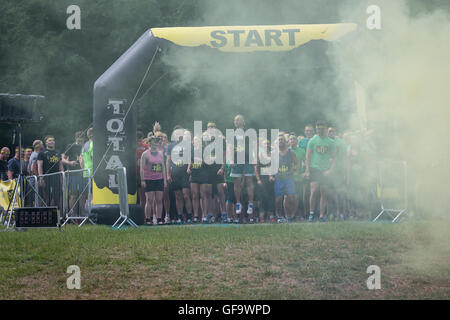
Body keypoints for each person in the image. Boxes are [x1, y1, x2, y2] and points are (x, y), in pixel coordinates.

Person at [305, 121, 337, 222]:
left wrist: (330, 170)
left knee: (324, 193)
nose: (319, 130)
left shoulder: (331, 142)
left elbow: (335, 158)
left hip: (325, 170)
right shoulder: (313, 140)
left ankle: (322, 215)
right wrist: (307, 170)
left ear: (325, 129)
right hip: (315, 168)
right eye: (318, 129)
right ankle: (311, 213)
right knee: (313, 191)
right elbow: (308, 156)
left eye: (321, 129)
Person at [228, 115, 256, 222]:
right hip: (236, 161)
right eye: (235, 120)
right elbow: (230, 148)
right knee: (237, 183)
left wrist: (254, 158)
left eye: (238, 120)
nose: (236, 121)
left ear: (243, 122)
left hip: (247, 160)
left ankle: (250, 202)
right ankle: (238, 203)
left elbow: (253, 146)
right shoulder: (232, 134)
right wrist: (230, 160)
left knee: (249, 182)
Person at [270, 134, 300, 223]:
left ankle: (289, 216)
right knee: (278, 198)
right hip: (279, 178)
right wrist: (270, 176)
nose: (280, 141)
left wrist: (296, 172)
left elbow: (297, 163)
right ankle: (279, 216)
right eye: (279, 140)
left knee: (291, 197)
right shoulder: (274, 153)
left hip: (289, 177)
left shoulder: (290, 152)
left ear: (285, 142)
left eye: (282, 140)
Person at [167, 127, 193, 224]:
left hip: (184, 173)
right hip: (175, 173)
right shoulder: (170, 146)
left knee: (186, 195)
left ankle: (189, 216)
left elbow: (190, 157)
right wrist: (168, 174)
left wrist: (189, 167)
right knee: (178, 196)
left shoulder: (187, 145)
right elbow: (168, 161)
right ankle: (179, 216)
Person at [140, 135, 167, 225]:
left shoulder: (160, 154)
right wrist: (143, 180)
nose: (155, 144)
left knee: (159, 199)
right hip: (149, 179)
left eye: (156, 142)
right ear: (150, 143)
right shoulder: (145, 154)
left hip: (159, 179)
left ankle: (159, 218)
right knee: (149, 199)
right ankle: (148, 218)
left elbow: (163, 167)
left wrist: (164, 180)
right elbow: (142, 168)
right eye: (154, 142)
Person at [187, 135, 211, 223]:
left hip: (203, 173)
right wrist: (188, 168)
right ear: (193, 142)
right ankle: (196, 215)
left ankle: (204, 215)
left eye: (198, 140)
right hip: (194, 174)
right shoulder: (191, 151)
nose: (196, 142)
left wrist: (200, 160)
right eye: (195, 140)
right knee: (194, 195)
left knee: (203, 194)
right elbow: (190, 160)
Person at [63, 131, 85, 218]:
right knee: (73, 194)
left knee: (83, 194)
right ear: (75, 138)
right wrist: (69, 162)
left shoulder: (85, 146)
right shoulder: (70, 146)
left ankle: (82, 214)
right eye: (79, 140)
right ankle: (72, 214)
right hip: (73, 173)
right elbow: (63, 159)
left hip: (84, 173)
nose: (80, 142)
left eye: (82, 140)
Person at [37, 135, 64, 207]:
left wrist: (62, 176)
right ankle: (46, 213)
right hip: (47, 177)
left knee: (57, 196)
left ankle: (56, 213)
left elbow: (60, 165)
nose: (52, 141)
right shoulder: (42, 153)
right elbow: (39, 166)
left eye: (53, 140)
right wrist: (41, 178)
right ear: (46, 143)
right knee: (47, 197)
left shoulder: (58, 152)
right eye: (49, 140)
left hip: (56, 177)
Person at [255, 139, 275, 223]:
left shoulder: (272, 155)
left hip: (270, 179)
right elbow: (256, 169)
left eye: (268, 144)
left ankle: (271, 216)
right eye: (264, 144)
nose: (266, 145)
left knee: (270, 198)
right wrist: (258, 179)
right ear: (261, 146)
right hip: (262, 179)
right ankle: (262, 216)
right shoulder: (259, 155)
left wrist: (272, 176)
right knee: (262, 198)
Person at [299, 125, 315, 220]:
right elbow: (300, 154)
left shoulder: (315, 140)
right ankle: (305, 212)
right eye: (307, 131)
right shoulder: (302, 142)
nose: (308, 132)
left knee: (315, 191)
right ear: (305, 132)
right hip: (304, 168)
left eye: (310, 130)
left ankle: (313, 212)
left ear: (313, 132)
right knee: (305, 192)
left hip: (314, 167)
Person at [289, 134, 306, 220]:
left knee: (297, 197)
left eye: (294, 139)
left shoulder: (302, 151)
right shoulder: (285, 151)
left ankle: (295, 214)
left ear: (297, 141)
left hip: (298, 177)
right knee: (289, 197)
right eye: (291, 139)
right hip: (287, 178)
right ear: (288, 141)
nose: (292, 141)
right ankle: (290, 214)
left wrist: (305, 172)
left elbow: (306, 162)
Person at [136, 130, 148, 209]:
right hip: (136, 172)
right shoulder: (131, 145)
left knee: (142, 196)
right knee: (140, 196)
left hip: (142, 173)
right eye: (138, 139)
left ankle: (142, 215)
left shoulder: (146, 146)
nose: (139, 141)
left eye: (140, 139)